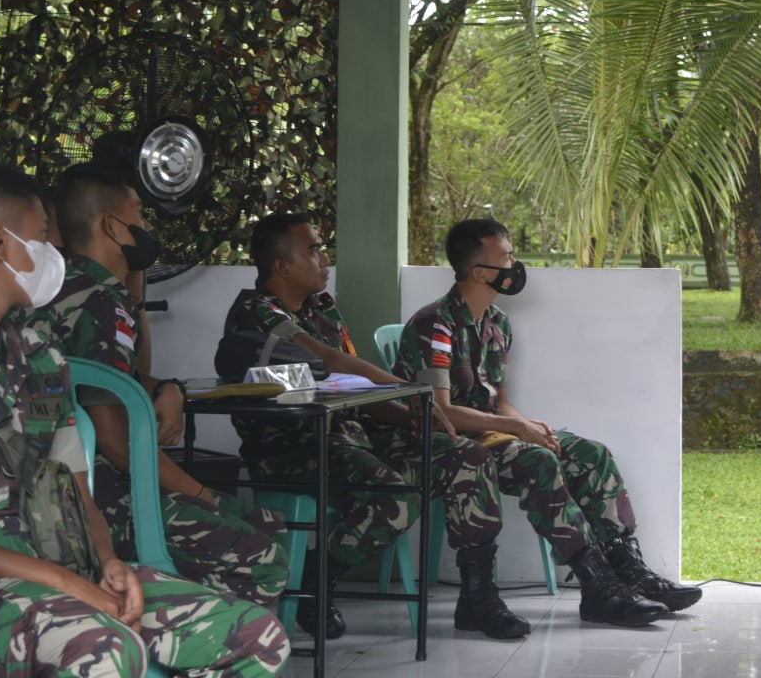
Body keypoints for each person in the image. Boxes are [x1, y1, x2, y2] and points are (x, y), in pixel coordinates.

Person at [0, 161, 289, 678]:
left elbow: (79, 492)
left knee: (254, 636)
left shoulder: (40, 359)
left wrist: (108, 563)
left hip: (68, 571)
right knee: (107, 649)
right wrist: (70, 586)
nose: (53, 255)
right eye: (42, 237)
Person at [221, 212, 530, 640]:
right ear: (282, 266)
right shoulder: (256, 313)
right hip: (295, 448)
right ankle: (316, 579)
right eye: (312, 249)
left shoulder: (323, 311)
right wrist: (413, 393)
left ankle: (478, 598)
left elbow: (356, 386)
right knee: (396, 498)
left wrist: (412, 417)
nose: (324, 256)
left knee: (468, 457)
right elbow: (332, 362)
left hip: (354, 439)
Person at [393, 218, 703, 628]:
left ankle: (630, 572)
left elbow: (499, 401)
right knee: (535, 461)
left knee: (590, 454)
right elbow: (442, 411)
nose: (514, 263)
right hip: (445, 441)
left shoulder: (497, 324)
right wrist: (520, 433)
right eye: (505, 257)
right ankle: (598, 588)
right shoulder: (435, 326)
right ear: (482, 273)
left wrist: (529, 425)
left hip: (488, 434)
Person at [31, 163, 291, 609]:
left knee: (266, 522)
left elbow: (126, 377)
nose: (149, 227)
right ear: (112, 226)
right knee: (262, 548)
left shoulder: (73, 289)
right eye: (141, 216)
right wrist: (199, 493)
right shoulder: (98, 302)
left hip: (72, 489)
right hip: (99, 496)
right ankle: (203, 650)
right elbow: (115, 442)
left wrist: (165, 382)